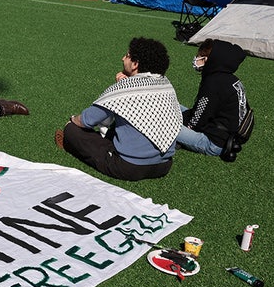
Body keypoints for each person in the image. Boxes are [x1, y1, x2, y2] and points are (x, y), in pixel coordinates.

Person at [55, 37, 182, 181]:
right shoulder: (166, 85)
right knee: (123, 123)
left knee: (72, 130)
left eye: (127, 56)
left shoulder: (125, 88)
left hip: (129, 167)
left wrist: (71, 120)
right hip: (164, 165)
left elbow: (86, 120)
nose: (123, 59)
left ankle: (72, 142)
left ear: (135, 64)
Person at [177, 39, 249, 157]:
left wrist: (181, 122)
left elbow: (198, 119)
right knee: (173, 106)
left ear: (208, 60)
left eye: (200, 56)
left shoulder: (213, 83)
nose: (196, 59)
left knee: (163, 125)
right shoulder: (231, 80)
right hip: (227, 136)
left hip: (213, 142)